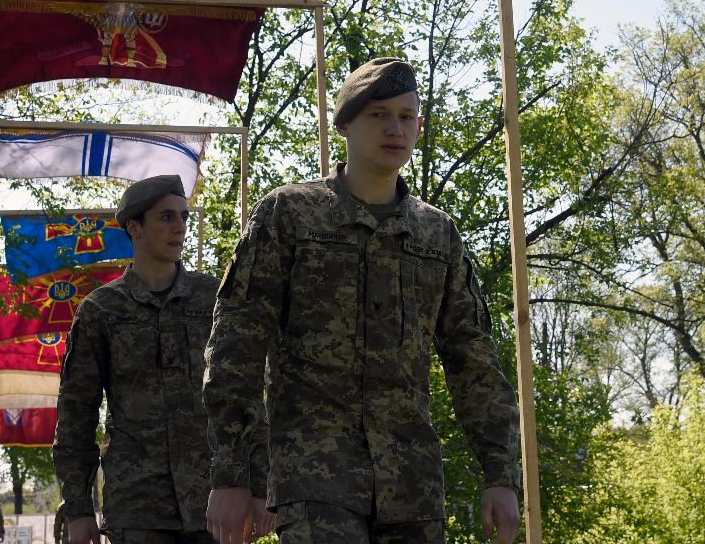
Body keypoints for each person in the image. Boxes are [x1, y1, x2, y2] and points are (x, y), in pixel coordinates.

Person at [204, 58, 522, 544]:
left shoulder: (437, 234)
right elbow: (236, 346)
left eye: (407, 116)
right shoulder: (290, 215)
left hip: (412, 486)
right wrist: (231, 474)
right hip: (316, 480)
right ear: (345, 125)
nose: (396, 129)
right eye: (378, 115)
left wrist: (501, 475)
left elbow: (473, 359)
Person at [53, 175, 272, 544]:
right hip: (138, 506)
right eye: (166, 217)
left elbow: (245, 393)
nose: (179, 227)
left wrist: (261, 485)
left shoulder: (214, 299)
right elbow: (76, 414)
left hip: (215, 501)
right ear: (134, 227)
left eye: (183, 217)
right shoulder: (101, 310)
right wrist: (78, 509)